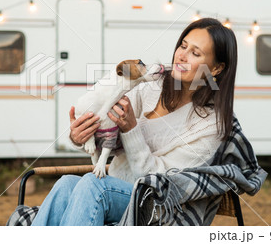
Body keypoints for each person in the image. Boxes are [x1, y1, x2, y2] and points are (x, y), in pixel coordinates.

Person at [31, 17, 238, 226]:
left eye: (195, 53)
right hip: (114, 187)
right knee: (66, 183)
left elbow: (160, 183)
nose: (182, 56)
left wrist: (131, 130)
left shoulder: (211, 125)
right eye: (183, 46)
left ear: (216, 69)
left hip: (156, 204)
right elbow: (109, 137)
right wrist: (82, 136)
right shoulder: (151, 86)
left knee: (92, 185)